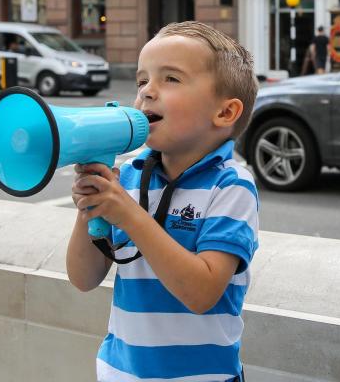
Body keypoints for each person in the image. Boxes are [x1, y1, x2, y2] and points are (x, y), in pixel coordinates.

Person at [65, 21, 259, 382]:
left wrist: (130, 215)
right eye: (142, 80)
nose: (147, 93)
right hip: (119, 372)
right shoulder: (130, 176)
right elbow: (83, 277)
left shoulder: (231, 186)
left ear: (225, 112)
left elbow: (202, 293)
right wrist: (89, 210)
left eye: (171, 79)